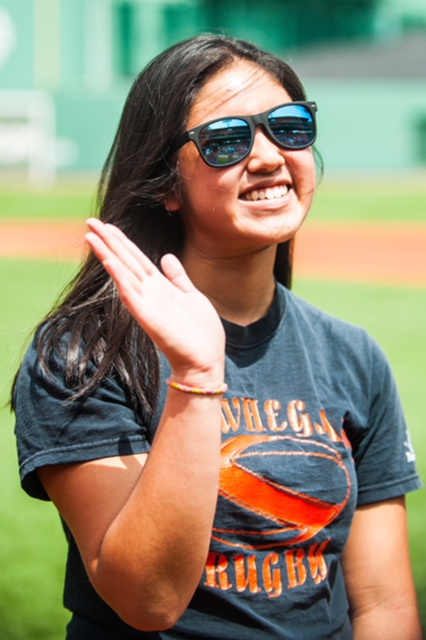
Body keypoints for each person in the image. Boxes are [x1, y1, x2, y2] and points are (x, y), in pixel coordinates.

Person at [13, 33, 423, 640]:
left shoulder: (352, 355)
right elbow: (147, 600)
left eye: (289, 126)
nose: (267, 157)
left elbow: (385, 606)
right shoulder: (85, 356)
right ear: (165, 186)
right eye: (227, 140)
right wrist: (198, 379)